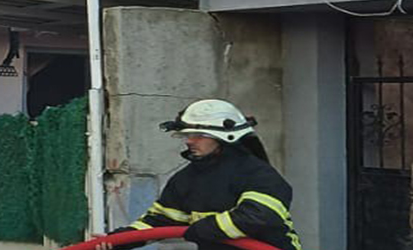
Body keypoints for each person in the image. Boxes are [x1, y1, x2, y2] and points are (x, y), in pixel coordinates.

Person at [97, 99, 302, 250]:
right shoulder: (186, 180)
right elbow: (161, 223)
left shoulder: (256, 174)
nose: (189, 141)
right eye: (187, 135)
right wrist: (119, 240)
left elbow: (258, 217)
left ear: (223, 137)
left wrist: (204, 229)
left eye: (198, 135)